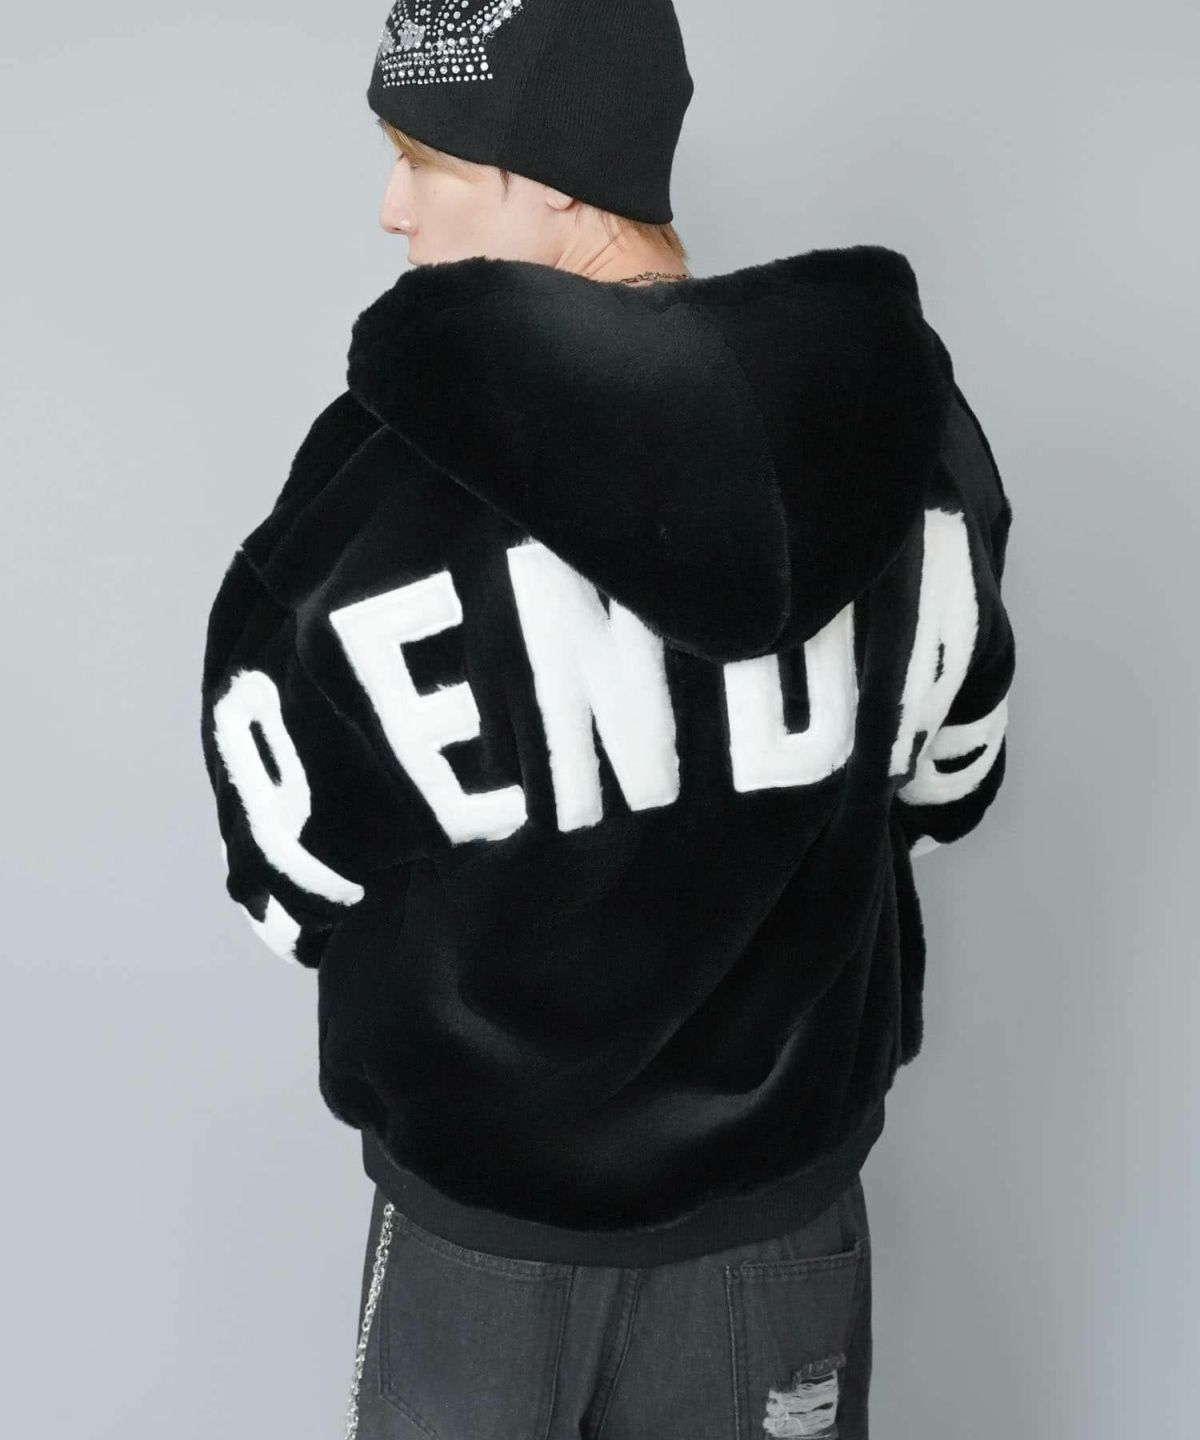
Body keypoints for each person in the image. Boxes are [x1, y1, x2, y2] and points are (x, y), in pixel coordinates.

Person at [198, 1, 1016, 1436]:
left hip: (483, 1252)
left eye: (429, 161)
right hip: (777, 1231)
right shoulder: (908, 445)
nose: (393, 209)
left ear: (563, 181)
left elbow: (289, 873)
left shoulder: (376, 487)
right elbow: (947, 783)